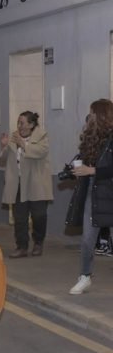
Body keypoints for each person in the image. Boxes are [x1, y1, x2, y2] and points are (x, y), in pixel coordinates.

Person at [68, 99, 113, 294]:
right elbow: (83, 162)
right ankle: (85, 276)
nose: (90, 117)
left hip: (109, 192)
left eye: (92, 113)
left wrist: (91, 170)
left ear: (101, 115)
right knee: (87, 239)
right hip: (93, 193)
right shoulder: (92, 138)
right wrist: (74, 169)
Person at [0, 111, 53, 259]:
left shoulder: (42, 136)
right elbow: (0, 157)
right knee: (19, 217)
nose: (19, 126)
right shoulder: (13, 137)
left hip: (37, 184)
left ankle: (38, 242)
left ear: (31, 124)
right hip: (18, 183)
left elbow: (41, 152)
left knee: (39, 215)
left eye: (22, 123)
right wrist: (2, 146)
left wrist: (24, 144)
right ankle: (21, 246)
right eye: (18, 122)